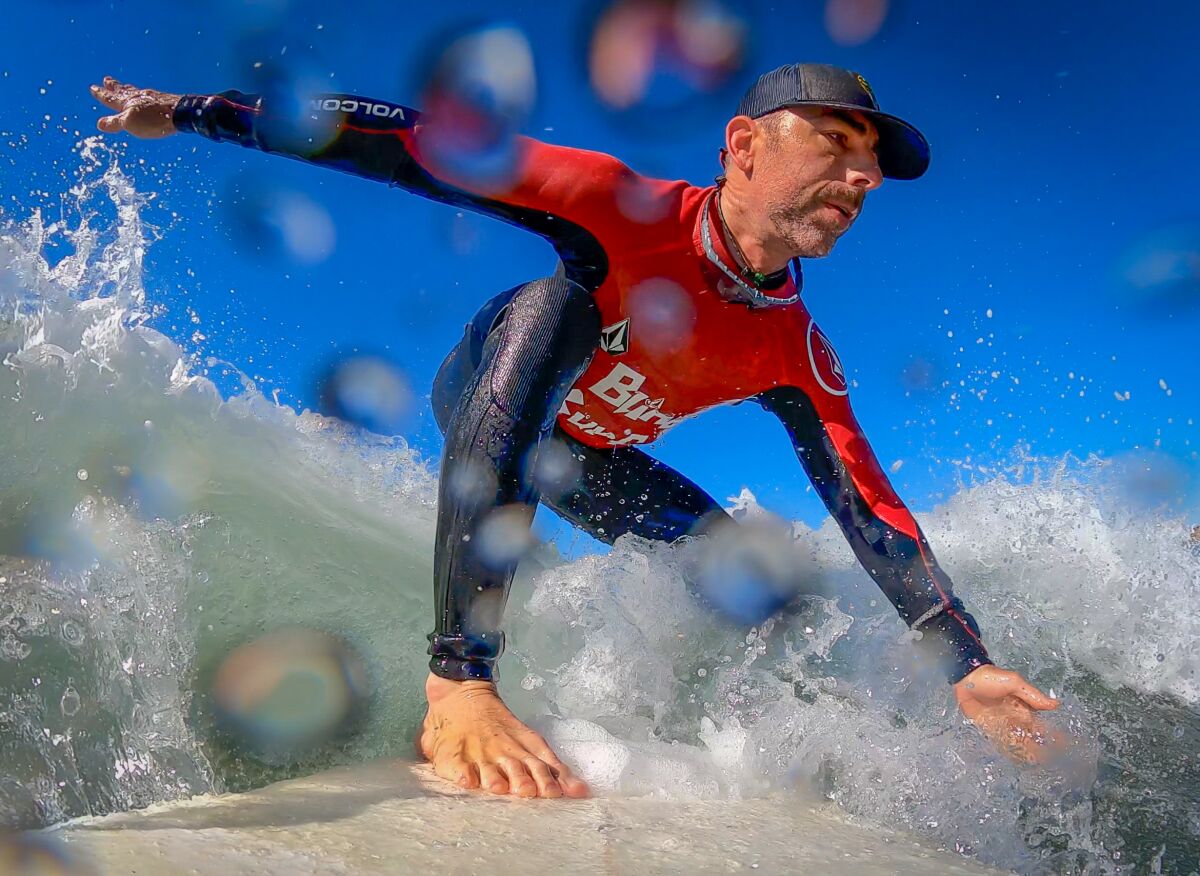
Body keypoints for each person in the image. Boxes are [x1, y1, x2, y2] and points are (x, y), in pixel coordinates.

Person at [90, 62, 1063, 800]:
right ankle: (458, 685)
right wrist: (190, 111)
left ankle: (733, 737)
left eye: (872, 165)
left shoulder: (793, 351)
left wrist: (969, 663)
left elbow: (870, 508)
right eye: (836, 142)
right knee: (555, 305)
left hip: (587, 460)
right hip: (493, 385)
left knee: (760, 581)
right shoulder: (618, 207)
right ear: (743, 145)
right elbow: (402, 140)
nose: (862, 176)